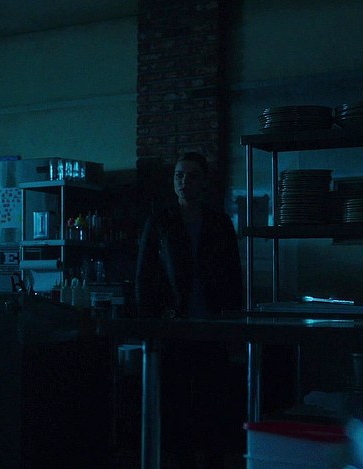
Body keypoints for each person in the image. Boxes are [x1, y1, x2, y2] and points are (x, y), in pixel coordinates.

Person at [134, 152, 244, 468]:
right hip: (174, 323)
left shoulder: (219, 222)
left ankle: (213, 457)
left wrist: (233, 323)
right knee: (177, 397)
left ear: (204, 181)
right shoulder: (160, 221)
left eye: (192, 175)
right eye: (179, 175)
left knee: (213, 396)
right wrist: (150, 324)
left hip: (212, 324)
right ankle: (182, 457)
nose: (184, 182)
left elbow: (233, 276)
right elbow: (144, 275)